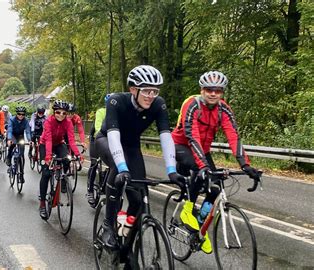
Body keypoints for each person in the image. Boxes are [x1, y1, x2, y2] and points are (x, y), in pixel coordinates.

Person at [95, 65, 184, 250]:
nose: (151, 96)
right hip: (107, 140)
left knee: (139, 199)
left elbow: (166, 136)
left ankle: (127, 247)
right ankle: (108, 225)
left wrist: (172, 170)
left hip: (132, 146)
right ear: (133, 89)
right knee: (117, 170)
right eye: (146, 91)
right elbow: (113, 136)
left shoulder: (158, 104)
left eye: (155, 91)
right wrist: (122, 167)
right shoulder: (116, 101)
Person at [171, 70, 260, 254]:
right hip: (180, 145)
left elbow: (233, 136)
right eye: (209, 89)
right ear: (202, 90)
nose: (213, 93)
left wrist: (245, 165)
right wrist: (203, 166)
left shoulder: (223, 109)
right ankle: (187, 210)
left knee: (216, 187)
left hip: (203, 151)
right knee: (199, 169)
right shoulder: (192, 105)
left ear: (222, 93)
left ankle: (200, 230)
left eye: (218, 90)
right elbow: (192, 136)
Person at [38, 100, 82, 220]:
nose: (61, 115)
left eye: (64, 113)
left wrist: (78, 155)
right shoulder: (48, 121)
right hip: (45, 144)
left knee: (67, 159)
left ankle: (63, 179)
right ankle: (42, 204)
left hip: (59, 144)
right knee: (46, 173)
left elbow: (71, 141)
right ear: (54, 112)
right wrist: (47, 157)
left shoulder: (68, 122)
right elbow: (48, 140)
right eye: (58, 112)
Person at [86, 93, 112, 205]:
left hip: (111, 139)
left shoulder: (120, 113)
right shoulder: (101, 112)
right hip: (96, 139)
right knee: (94, 163)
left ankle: (108, 184)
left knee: (114, 164)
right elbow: (98, 129)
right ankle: (90, 190)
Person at [6, 106, 32, 171]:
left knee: (22, 154)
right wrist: (9, 139)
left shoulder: (26, 121)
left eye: (23, 114)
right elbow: (10, 130)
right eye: (19, 114)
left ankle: (21, 172)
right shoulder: (12, 120)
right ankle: (9, 157)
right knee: (12, 145)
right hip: (13, 135)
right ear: (16, 114)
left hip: (20, 136)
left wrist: (29, 140)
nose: (21, 116)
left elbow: (28, 131)